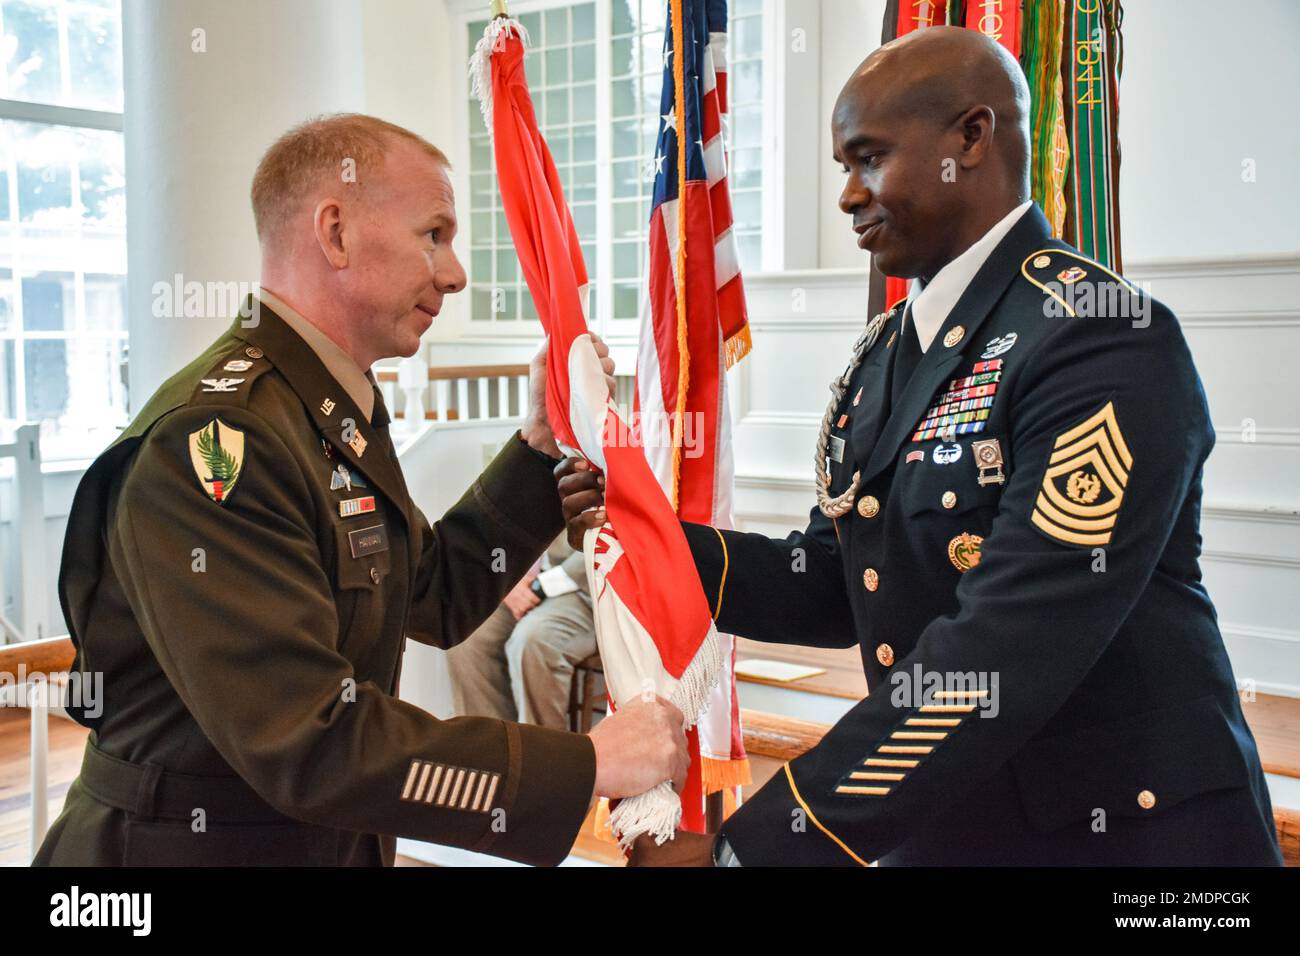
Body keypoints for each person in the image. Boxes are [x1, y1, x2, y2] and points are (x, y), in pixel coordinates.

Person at [558, 28, 1283, 866]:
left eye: (868, 159)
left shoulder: (1098, 338)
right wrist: (655, 543)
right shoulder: (886, 355)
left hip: (1125, 842)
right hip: (948, 825)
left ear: (970, 139)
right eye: (843, 167)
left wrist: (760, 843)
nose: (848, 196)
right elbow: (838, 580)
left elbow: (1006, 644)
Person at [35, 113, 687, 868]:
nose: (455, 273)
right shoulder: (216, 442)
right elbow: (309, 743)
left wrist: (538, 447)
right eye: (434, 234)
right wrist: (588, 763)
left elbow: (434, 593)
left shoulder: (324, 410)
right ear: (336, 232)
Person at [447, 533, 600, 729]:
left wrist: (542, 586)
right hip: (518, 580)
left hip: (584, 585)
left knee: (533, 640)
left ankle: (542, 752)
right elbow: (486, 523)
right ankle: (488, 747)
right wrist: (502, 579)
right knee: (466, 631)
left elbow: (616, 530)